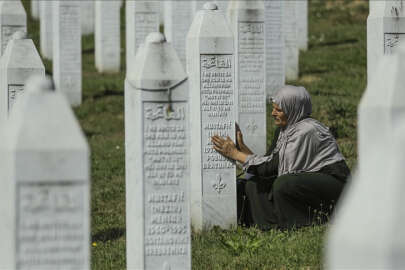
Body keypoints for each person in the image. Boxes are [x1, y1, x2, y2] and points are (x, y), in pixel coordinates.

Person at [211, 85, 350, 230]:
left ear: (292, 109)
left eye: (278, 110)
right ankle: (270, 225)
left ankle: (307, 221)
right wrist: (241, 148)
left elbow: (271, 167)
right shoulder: (285, 130)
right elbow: (268, 163)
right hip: (308, 179)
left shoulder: (307, 131)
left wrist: (235, 154)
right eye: (273, 108)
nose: (273, 113)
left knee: (284, 184)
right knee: (253, 182)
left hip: (333, 184)